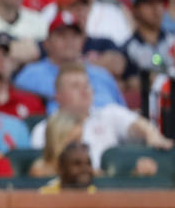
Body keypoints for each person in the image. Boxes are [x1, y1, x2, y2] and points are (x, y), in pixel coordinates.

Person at [31, 62, 173, 170]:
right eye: (75, 86)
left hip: (109, 192)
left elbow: (136, 124)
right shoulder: (43, 129)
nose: (84, 90)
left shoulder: (109, 113)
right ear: (58, 97)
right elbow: (43, 168)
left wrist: (152, 135)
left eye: (87, 84)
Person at [13, 11, 125, 109]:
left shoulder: (102, 75)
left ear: (83, 42)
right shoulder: (31, 75)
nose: (69, 41)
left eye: (74, 36)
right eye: (62, 35)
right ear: (47, 43)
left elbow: (123, 113)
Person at [124, 0, 175, 77]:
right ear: (135, 10)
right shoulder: (128, 48)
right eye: (149, 3)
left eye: (159, 2)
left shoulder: (172, 40)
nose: (156, 8)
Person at [28, 110, 82, 177]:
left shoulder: (86, 170)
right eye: (74, 141)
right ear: (56, 140)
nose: (80, 146)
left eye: (80, 140)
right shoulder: (40, 171)